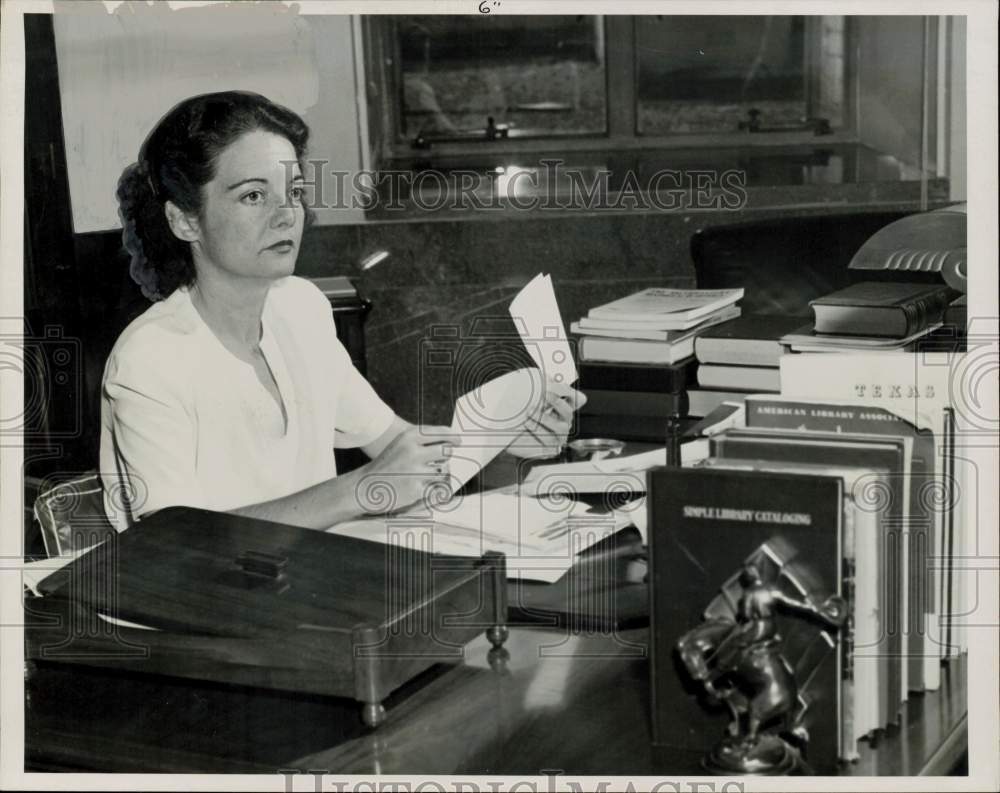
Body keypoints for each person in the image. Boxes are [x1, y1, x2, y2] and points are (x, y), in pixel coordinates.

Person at [100, 90, 583, 531]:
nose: (286, 213)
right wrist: (359, 489)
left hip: (311, 588)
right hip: (198, 620)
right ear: (184, 219)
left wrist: (504, 436)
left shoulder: (300, 307)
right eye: (253, 195)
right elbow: (174, 547)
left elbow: (397, 449)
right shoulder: (150, 360)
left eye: (293, 191)